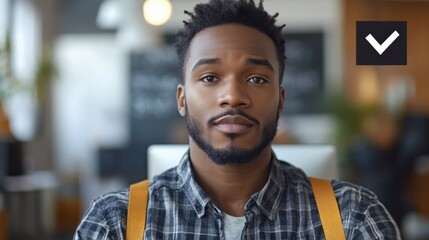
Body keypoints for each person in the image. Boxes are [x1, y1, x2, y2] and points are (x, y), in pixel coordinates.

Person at [74, 0, 401, 239]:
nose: (232, 96)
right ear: (182, 99)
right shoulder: (114, 222)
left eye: (257, 79)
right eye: (209, 77)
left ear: (280, 102)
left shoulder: (354, 218)